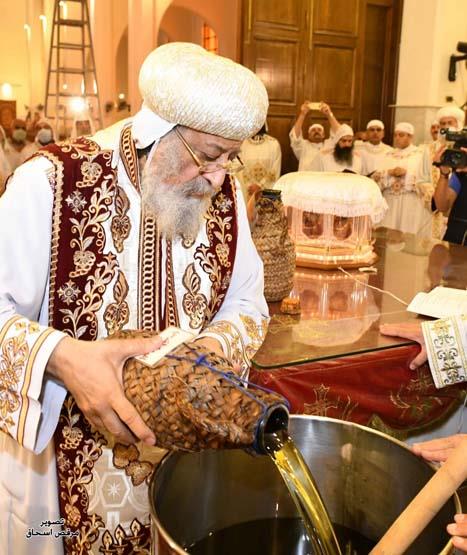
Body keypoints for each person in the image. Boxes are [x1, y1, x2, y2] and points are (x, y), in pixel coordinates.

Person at [0, 42, 269, 554]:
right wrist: (64, 359)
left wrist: (210, 353)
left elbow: (248, 304)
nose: (219, 178)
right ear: (159, 130)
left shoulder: (225, 194)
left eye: (230, 157)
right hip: (57, 487)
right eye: (209, 155)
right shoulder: (51, 183)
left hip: (187, 476)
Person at [373, 122, 433, 237]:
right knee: (387, 234)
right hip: (389, 201)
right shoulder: (388, 154)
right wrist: (390, 172)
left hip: (410, 201)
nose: (397, 138)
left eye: (401, 135)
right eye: (395, 135)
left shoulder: (420, 154)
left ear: (410, 137)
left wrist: (407, 174)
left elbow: (426, 179)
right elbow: (376, 177)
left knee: (408, 234)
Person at [289, 101, 340, 170]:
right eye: (313, 130)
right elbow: (295, 136)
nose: (316, 131)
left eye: (319, 130)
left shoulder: (329, 145)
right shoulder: (303, 146)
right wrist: (302, 114)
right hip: (306, 177)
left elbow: (339, 133)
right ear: (309, 135)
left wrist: (329, 114)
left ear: (323, 135)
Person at [238, 122, 281, 202]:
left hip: (267, 192)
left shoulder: (273, 144)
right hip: (247, 191)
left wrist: (261, 186)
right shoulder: (241, 144)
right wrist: (250, 185)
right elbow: (239, 167)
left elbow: (275, 168)